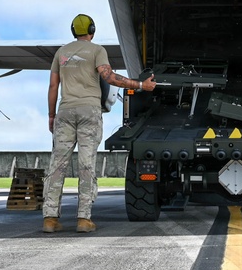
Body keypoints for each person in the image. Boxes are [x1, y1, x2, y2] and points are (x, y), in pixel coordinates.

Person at [43, 13, 157, 234]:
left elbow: (53, 87)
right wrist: (140, 85)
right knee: (86, 164)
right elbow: (110, 78)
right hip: (89, 111)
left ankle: (50, 219)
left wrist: (51, 115)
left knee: (57, 165)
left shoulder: (61, 52)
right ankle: (83, 219)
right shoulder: (97, 51)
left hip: (64, 111)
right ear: (92, 30)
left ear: (73, 30)